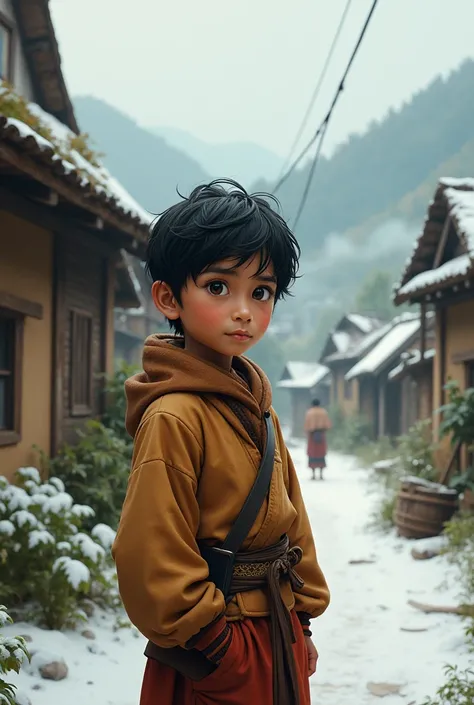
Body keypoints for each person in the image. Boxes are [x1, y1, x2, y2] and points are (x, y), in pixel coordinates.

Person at [112, 179, 330, 705]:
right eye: (217, 287)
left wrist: (302, 620)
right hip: (215, 647)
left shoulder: (258, 407)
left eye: (261, 291)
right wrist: (219, 650)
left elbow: (291, 522)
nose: (243, 310)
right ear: (168, 297)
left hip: (276, 632)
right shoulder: (174, 416)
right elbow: (150, 554)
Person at [304, 399, 332, 481]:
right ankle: (321, 475)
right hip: (321, 435)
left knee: (312, 453)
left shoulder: (309, 412)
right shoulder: (323, 412)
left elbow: (307, 426)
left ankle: (313, 475)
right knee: (321, 453)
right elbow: (327, 425)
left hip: (312, 436)